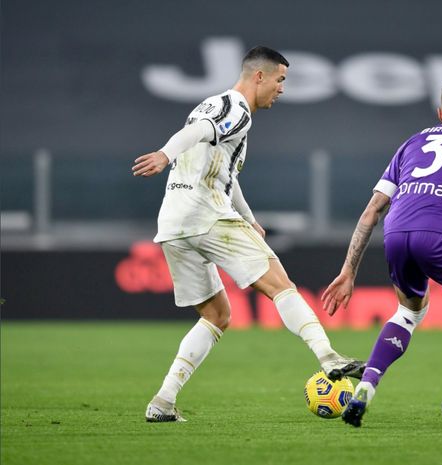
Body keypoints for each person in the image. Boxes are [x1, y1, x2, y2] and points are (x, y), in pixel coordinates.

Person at [132, 46, 364, 423]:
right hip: (206, 215)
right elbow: (199, 133)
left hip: (173, 224)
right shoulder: (237, 109)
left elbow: (225, 170)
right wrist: (164, 154)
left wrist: (249, 217)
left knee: (217, 315)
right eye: (280, 80)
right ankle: (328, 356)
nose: (282, 89)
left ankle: (162, 402)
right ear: (260, 76)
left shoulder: (210, 104)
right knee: (281, 284)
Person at [322, 81, 442, 430]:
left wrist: (348, 270)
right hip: (440, 232)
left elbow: (372, 211)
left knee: (408, 311)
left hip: (395, 233)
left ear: (440, 113)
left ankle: (366, 385)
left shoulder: (411, 143)